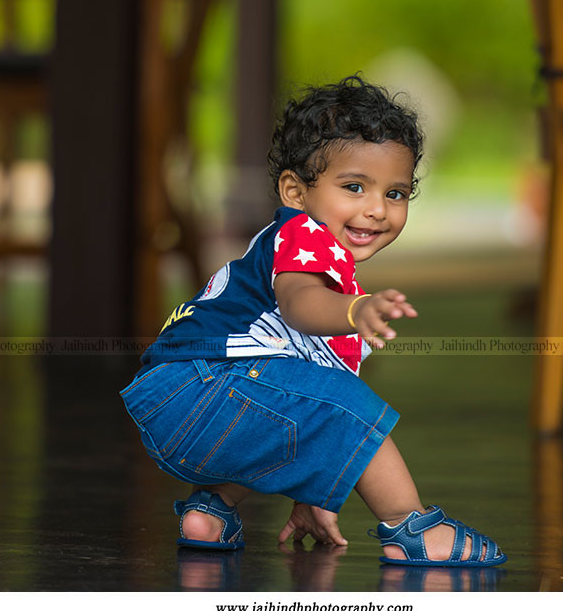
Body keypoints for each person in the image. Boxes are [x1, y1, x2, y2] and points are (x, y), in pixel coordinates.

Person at [120, 75, 506, 567]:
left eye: (395, 193)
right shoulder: (304, 238)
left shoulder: (321, 266)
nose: (375, 209)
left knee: (303, 407)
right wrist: (354, 311)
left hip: (175, 399)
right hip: (205, 382)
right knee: (357, 408)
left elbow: (309, 413)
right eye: (354, 187)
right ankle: (412, 528)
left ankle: (210, 509)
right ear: (295, 192)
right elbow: (301, 305)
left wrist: (315, 495)